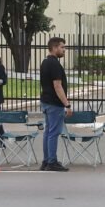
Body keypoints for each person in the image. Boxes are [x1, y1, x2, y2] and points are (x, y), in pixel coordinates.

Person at [39, 37, 72, 172]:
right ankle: (52, 162)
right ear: (54, 48)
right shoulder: (54, 64)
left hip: (46, 101)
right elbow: (57, 86)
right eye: (62, 47)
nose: (64, 50)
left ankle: (46, 161)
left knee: (48, 132)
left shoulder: (45, 62)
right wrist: (67, 105)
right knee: (53, 132)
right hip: (54, 103)